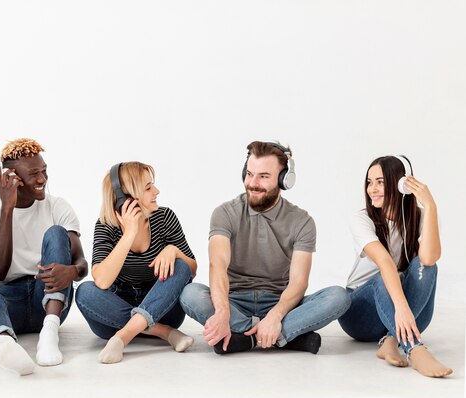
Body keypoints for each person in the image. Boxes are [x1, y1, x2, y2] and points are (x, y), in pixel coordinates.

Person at [180, 141, 350, 355]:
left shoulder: (302, 221)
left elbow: (299, 282)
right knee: (190, 293)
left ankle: (244, 339)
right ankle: (284, 338)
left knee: (338, 297)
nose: (252, 183)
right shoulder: (224, 213)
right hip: (233, 300)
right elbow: (218, 265)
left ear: (284, 180)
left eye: (263, 176)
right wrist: (223, 312)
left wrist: (275, 316)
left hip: (281, 302)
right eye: (249, 174)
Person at [0, 138, 88, 375]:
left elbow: (82, 264)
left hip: (47, 298)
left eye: (44, 171)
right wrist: (8, 208)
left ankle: (49, 333)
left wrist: (72, 271)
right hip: (9, 300)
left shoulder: (58, 206)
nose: (42, 179)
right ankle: (6, 345)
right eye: (34, 173)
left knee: (56, 233)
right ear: (10, 177)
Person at [337, 155, 452, 377]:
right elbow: (385, 263)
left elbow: (429, 259)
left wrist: (430, 205)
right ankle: (415, 349)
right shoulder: (361, 219)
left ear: (402, 184)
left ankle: (391, 340)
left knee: (427, 265)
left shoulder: (419, 216)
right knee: (386, 274)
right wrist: (401, 307)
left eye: (380, 182)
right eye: (369, 182)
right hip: (360, 314)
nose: (372, 189)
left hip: (401, 313)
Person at [75, 162, 197, 364]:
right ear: (126, 199)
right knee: (85, 291)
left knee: (181, 265)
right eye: (148, 188)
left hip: (161, 306)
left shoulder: (165, 217)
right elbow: (103, 281)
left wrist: (174, 250)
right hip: (112, 314)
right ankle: (163, 332)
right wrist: (130, 232)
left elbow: (190, 270)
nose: (156, 191)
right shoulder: (106, 225)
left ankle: (123, 337)